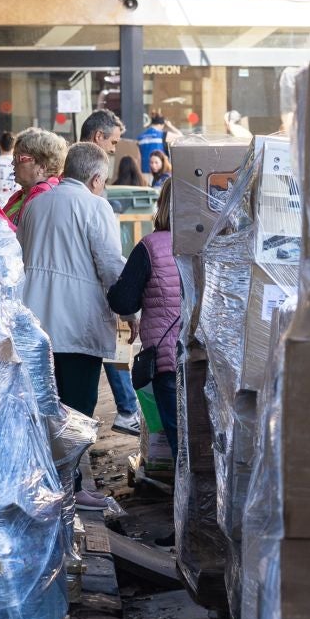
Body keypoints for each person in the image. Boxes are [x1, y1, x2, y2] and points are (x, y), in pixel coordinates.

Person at [19, 142, 127, 470]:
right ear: (96, 179)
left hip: (36, 324)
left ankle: (57, 483)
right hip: (78, 325)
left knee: (46, 411)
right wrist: (130, 309)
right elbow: (111, 266)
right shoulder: (96, 207)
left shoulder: (35, 205)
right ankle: (73, 486)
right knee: (77, 411)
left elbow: (20, 255)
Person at [107, 179, 182, 451]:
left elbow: (123, 300)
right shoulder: (216, 244)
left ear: (162, 204)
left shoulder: (150, 247)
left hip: (167, 359)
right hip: (212, 362)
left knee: (179, 436)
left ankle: (187, 493)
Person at [77, 109, 139, 429]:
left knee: (110, 343)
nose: (115, 148)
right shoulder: (91, 196)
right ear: (98, 137)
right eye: (113, 141)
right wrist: (125, 304)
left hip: (86, 287)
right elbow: (109, 258)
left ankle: (128, 407)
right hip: (88, 288)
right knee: (109, 343)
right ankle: (127, 408)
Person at [4, 127, 66, 227]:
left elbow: (23, 237)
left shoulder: (45, 198)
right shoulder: (22, 194)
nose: (13, 163)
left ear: (42, 167)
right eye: (13, 157)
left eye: (19, 158)